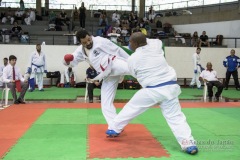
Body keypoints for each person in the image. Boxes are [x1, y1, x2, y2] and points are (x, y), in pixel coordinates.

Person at [106, 32, 198, 155]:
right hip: (170, 87)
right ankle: (189, 144)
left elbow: (134, 73)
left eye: (130, 42)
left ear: (136, 43)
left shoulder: (133, 58)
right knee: (176, 117)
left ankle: (114, 128)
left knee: (132, 107)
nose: (129, 44)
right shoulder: (156, 45)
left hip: (152, 90)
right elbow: (150, 41)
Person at [63, 29, 130, 125]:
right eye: (84, 42)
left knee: (134, 68)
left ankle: (155, 78)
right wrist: (67, 60)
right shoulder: (81, 50)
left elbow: (117, 50)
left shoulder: (100, 41)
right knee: (105, 103)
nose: (88, 42)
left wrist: (130, 60)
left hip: (114, 64)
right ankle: (115, 126)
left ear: (90, 35)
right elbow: (73, 59)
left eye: (89, 39)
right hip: (107, 75)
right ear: (81, 43)